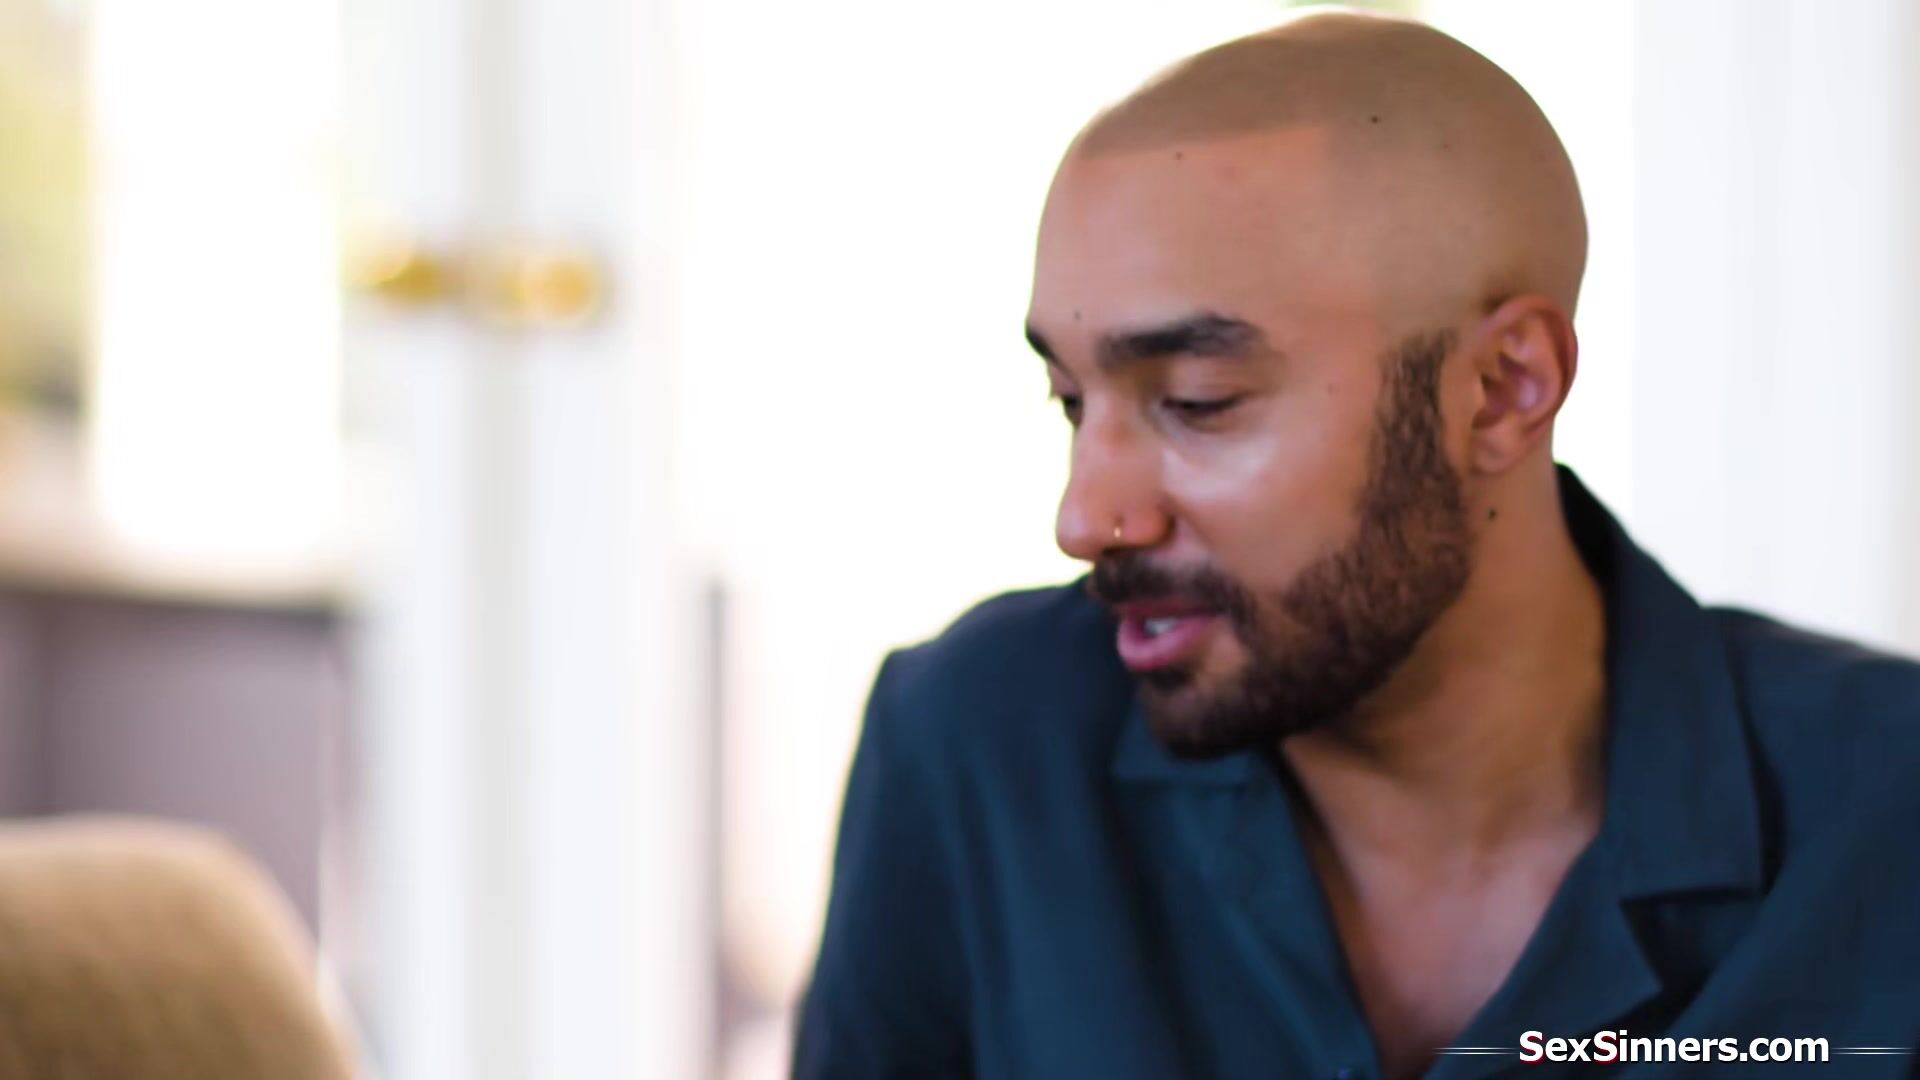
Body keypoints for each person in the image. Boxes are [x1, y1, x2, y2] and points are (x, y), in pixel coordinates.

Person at [795, 10, 1920, 1079]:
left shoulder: (1886, 811)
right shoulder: (977, 747)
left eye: (1197, 402)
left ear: (1501, 389)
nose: (1086, 518)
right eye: (1071, 402)